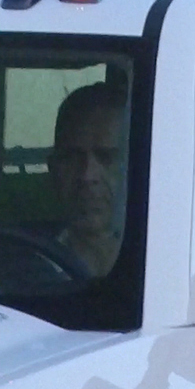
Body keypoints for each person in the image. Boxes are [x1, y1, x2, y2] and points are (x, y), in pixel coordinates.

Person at [47, 78, 128, 278]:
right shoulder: (28, 270)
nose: (87, 175)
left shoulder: (167, 264)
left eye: (106, 158)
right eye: (72, 158)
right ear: (53, 168)